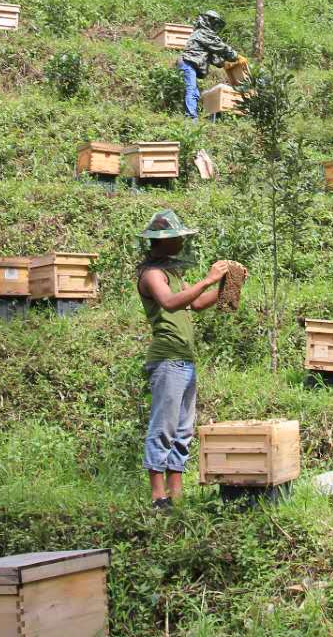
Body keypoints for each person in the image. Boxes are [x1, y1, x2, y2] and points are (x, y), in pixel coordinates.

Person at [135, 208, 239, 508]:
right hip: (167, 359)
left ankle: (176, 493)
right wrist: (207, 279)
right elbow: (169, 303)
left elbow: (194, 304)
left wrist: (225, 287)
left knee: (182, 429)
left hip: (184, 359)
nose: (182, 243)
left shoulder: (172, 275)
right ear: (162, 242)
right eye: (177, 238)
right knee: (163, 427)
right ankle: (158, 496)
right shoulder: (152, 275)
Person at [178, 10, 246, 119]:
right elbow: (220, 46)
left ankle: (191, 117)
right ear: (209, 20)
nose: (215, 26)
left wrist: (224, 63)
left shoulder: (202, 34)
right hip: (188, 63)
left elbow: (210, 56)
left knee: (194, 93)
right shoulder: (203, 33)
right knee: (191, 90)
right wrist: (236, 56)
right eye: (214, 23)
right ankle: (191, 118)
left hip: (190, 64)